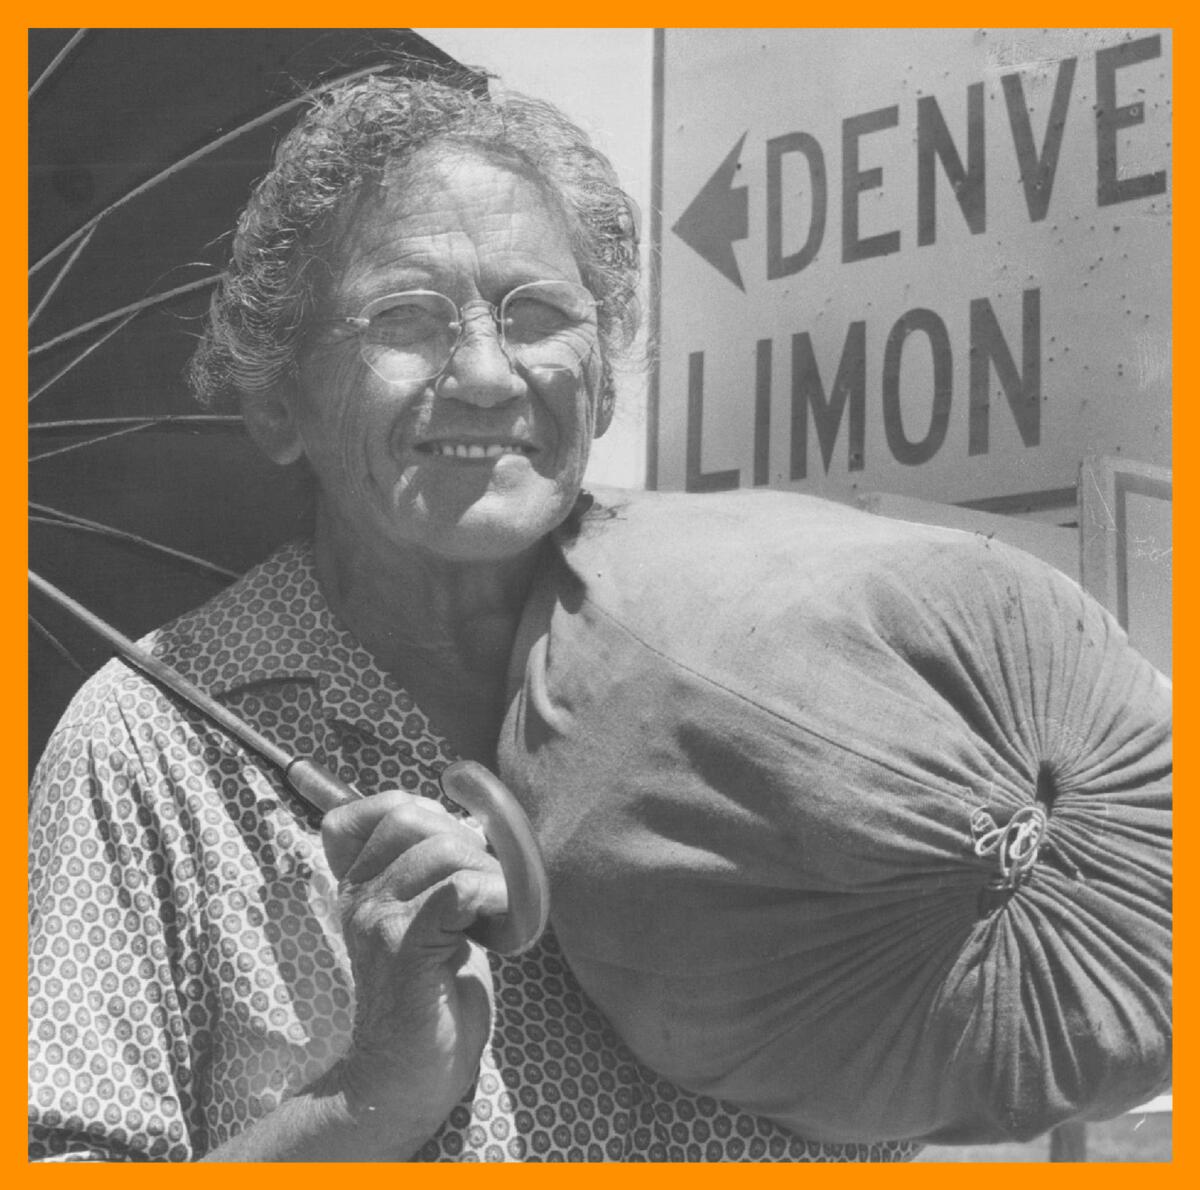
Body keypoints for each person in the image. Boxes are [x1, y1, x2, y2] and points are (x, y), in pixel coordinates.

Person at [28, 67, 924, 1163]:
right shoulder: (149, 748)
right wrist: (372, 1094)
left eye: (538, 311)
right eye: (406, 316)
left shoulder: (762, 662)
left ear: (599, 377)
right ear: (276, 397)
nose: (490, 375)